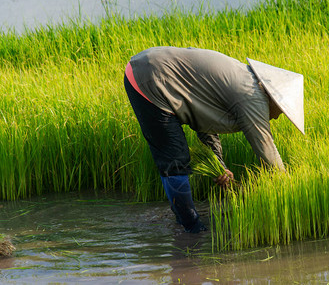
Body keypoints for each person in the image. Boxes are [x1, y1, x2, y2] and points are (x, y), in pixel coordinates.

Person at [124, 47, 304, 233]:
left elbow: (205, 125)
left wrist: (219, 166)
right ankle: (191, 228)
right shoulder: (252, 96)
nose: (276, 117)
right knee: (175, 159)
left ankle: (181, 222)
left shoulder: (243, 80)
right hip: (150, 78)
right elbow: (267, 150)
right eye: (282, 111)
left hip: (147, 69)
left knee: (174, 158)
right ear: (273, 99)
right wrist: (289, 192)